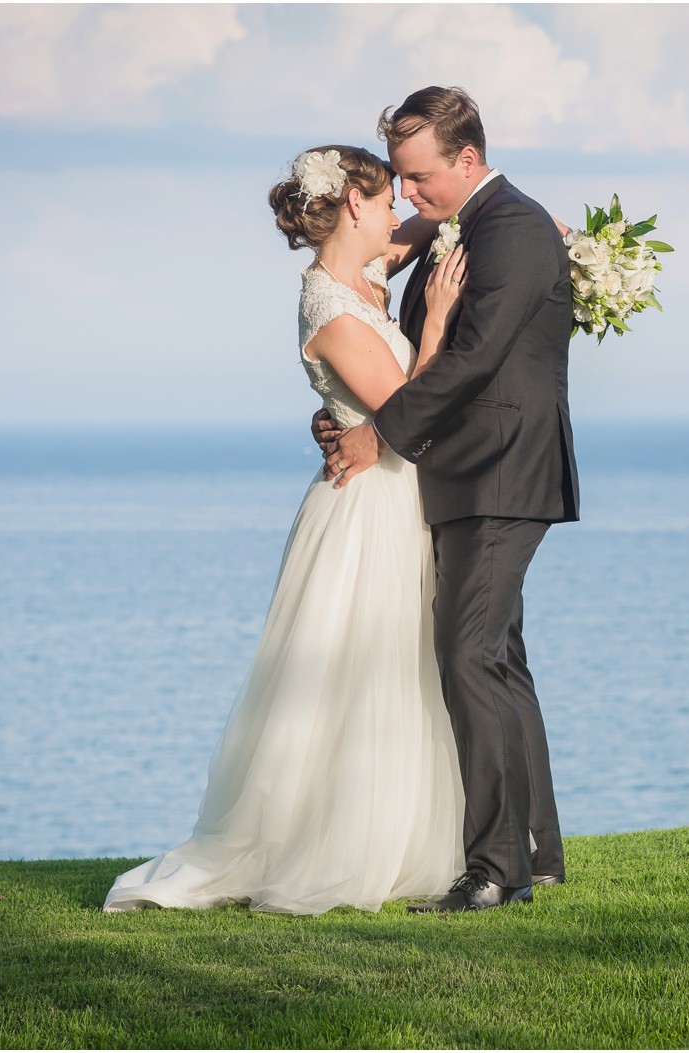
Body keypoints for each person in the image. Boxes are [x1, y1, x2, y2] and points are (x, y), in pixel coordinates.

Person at [103, 144, 472, 914]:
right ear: (352, 207)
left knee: (399, 666)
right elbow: (408, 405)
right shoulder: (328, 309)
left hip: (393, 499)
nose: (398, 208)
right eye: (384, 199)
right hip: (364, 507)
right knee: (355, 672)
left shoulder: (361, 282)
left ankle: (403, 839)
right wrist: (435, 321)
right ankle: (334, 845)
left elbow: (416, 235)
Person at [320, 86, 579, 913]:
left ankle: (494, 869)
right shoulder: (459, 228)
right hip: (462, 471)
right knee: (497, 654)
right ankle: (534, 852)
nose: (409, 195)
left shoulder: (517, 230)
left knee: (466, 655)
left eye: (420, 177)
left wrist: (379, 434)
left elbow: (470, 360)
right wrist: (347, 413)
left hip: (503, 470)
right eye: (399, 177)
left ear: (467, 159)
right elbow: (401, 353)